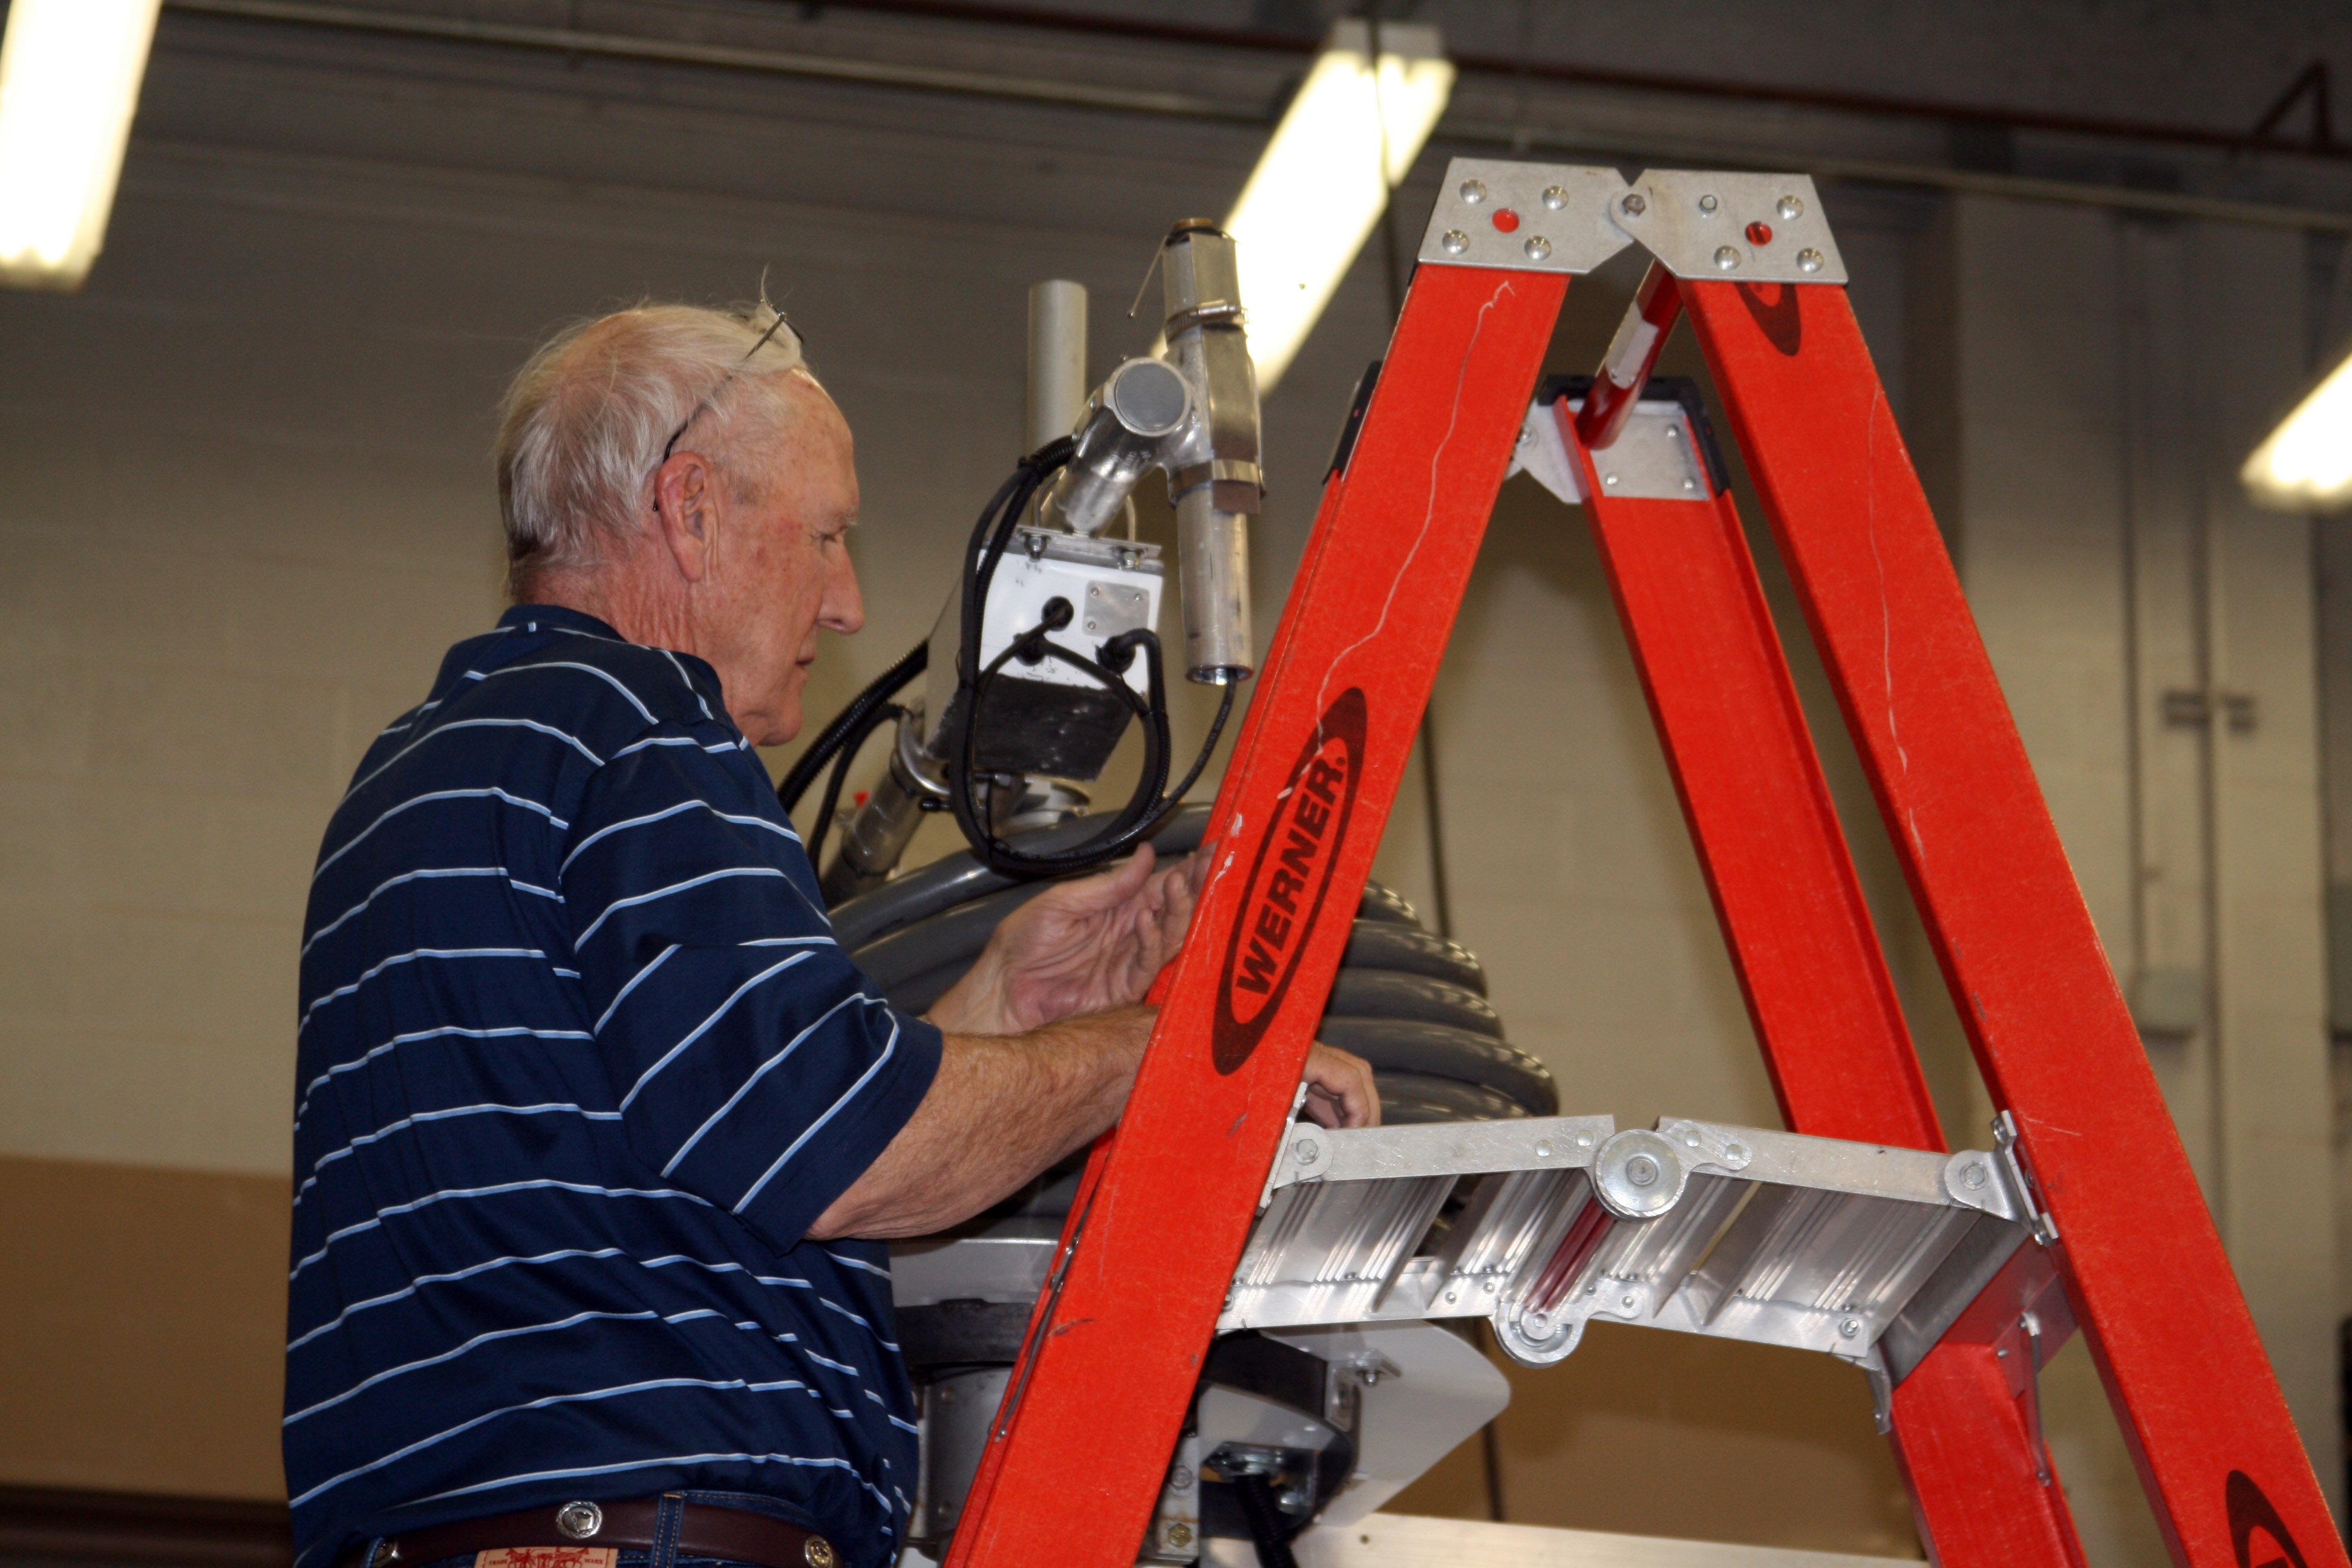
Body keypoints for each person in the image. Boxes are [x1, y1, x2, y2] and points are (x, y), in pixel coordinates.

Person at [285, 302, 1377, 1568]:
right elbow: (835, 1158)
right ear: (689, 511)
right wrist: (1176, 1051)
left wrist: (1003, 1010)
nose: (850, 602)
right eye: (827, 535)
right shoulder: (645, 724)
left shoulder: (433, 765)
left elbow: (700, 1133)